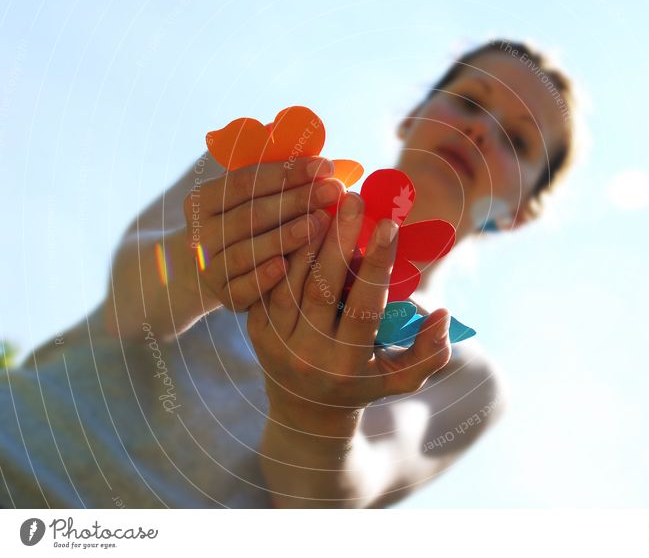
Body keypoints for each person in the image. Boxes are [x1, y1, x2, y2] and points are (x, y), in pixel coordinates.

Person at [0, 38, 576, 508]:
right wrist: (206, 265)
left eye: (517, 140)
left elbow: (318, 506)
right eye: (471, 102)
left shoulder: (458, 368)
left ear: (520, 214)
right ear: (412, 118)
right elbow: (126, 308)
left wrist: (317, 413)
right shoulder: (263, 168)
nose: (480, 131)